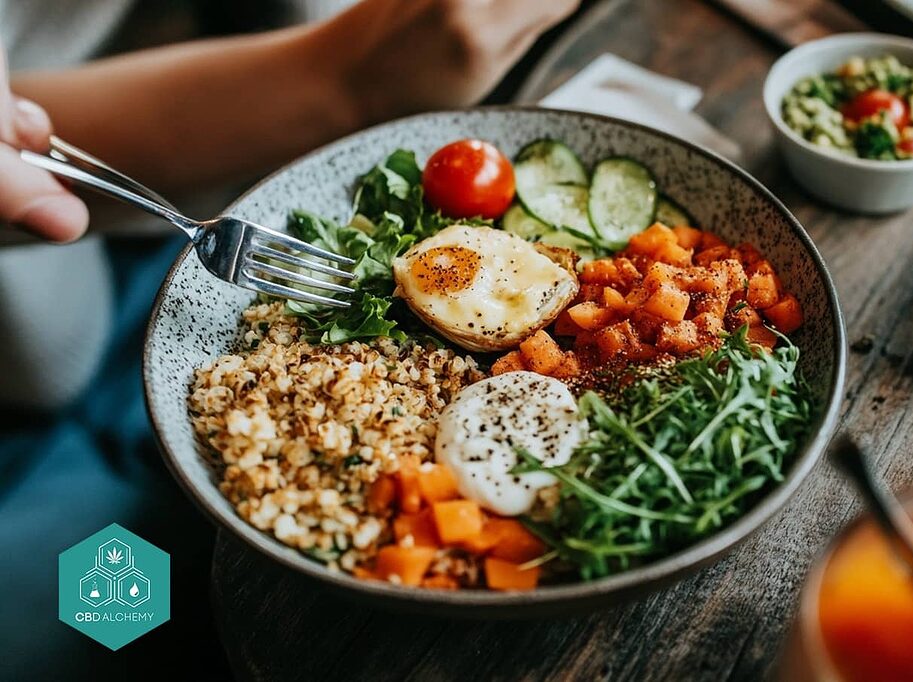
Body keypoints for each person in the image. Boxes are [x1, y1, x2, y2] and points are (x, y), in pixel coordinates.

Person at [0, 1, 578, 678]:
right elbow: (31, 130)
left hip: (224, 218)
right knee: (88, 624)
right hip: (52, 332)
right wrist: (341, 77)